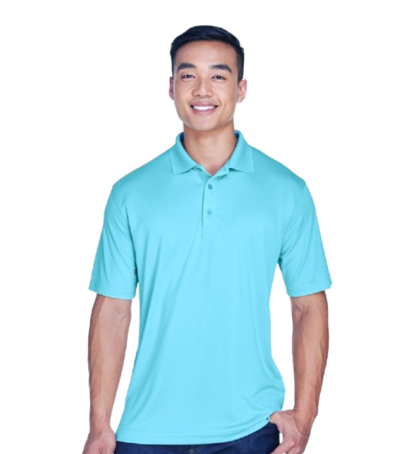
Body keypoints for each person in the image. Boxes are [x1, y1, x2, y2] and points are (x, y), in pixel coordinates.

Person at [83, 24, 333, 454]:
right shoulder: (130, 192)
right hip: (145, 433)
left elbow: (309, 305)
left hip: (254, 431)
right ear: (171, 88)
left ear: (241, 90)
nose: (202, 90)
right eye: (188, 75)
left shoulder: (287, 189)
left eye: (218, 75)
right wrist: (99, 425)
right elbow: (112, 309)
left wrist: (305, 416)